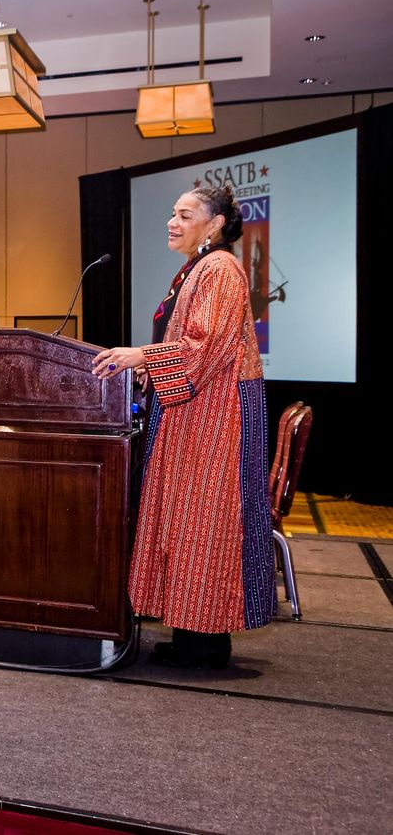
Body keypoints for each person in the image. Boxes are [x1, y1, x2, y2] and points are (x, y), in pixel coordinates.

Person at [91, 186, 271, 670]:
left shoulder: (219, 269)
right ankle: (193, 634)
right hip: (193, 413)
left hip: (214, 417)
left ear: (213, 224)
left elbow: (204, 345)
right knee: (188, 522)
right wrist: (144, 362)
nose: (172, 221)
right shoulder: (199, 267)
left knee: (204, 524)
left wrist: (141, 356)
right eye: (171, 212)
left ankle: (206, 643)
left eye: (185, 214)